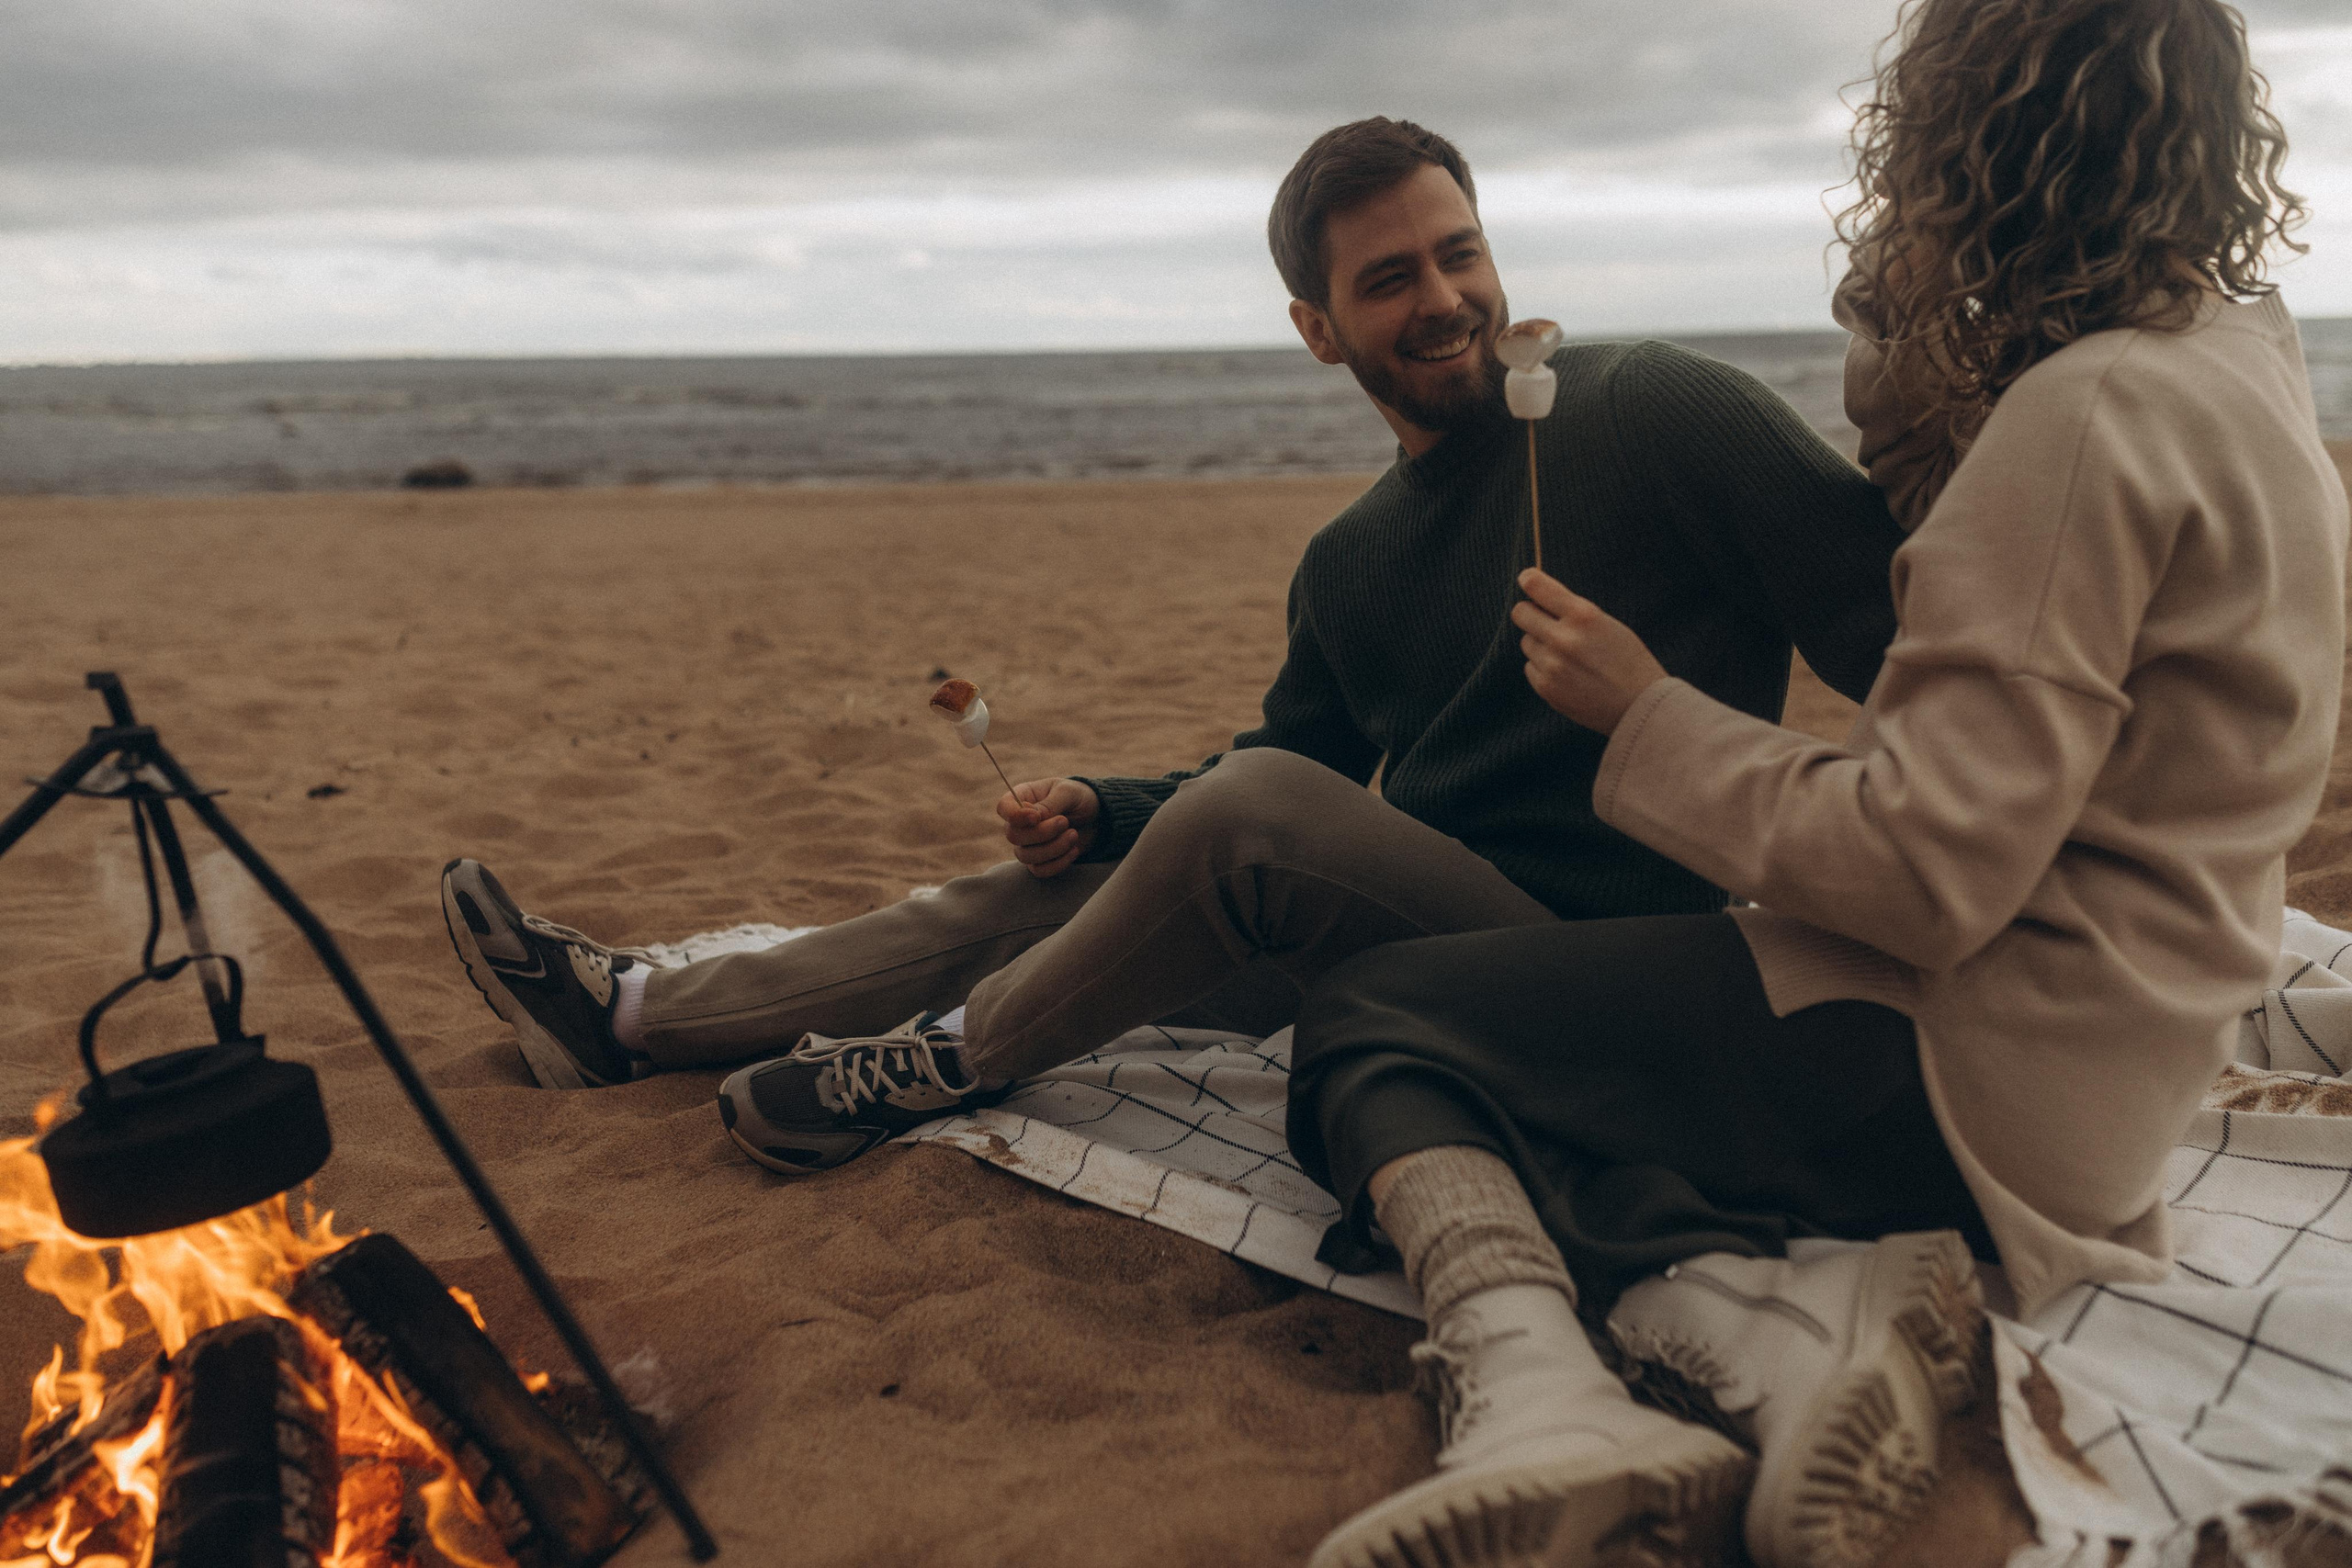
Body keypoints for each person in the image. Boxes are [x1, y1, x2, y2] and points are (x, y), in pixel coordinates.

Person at [1283, 4, 2345, 1568]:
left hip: (1986, 1068)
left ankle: (1542, 1395)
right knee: (1575, 1057)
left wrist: (1646, 713)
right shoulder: (2240, 364)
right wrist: (1921, 414)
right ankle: (1791, 1314)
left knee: (1378, 1020)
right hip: (2123, 1044)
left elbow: (1924, 873)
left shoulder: (2087, 421)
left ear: (1970, 143)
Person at [441, 116, 1908, 1176]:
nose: (1445, 298)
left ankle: (943, 1064)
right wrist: (1105, 807)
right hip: (1412, 941)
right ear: (1319, 330)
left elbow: (1892, 629)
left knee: (1246, 824)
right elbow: (1295, 769)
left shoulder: (1652, 408)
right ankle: (632, 1013)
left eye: (1458, 253)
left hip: (1618, 968)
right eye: (1388, 277)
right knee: (1093, 866)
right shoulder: (1350, 559)